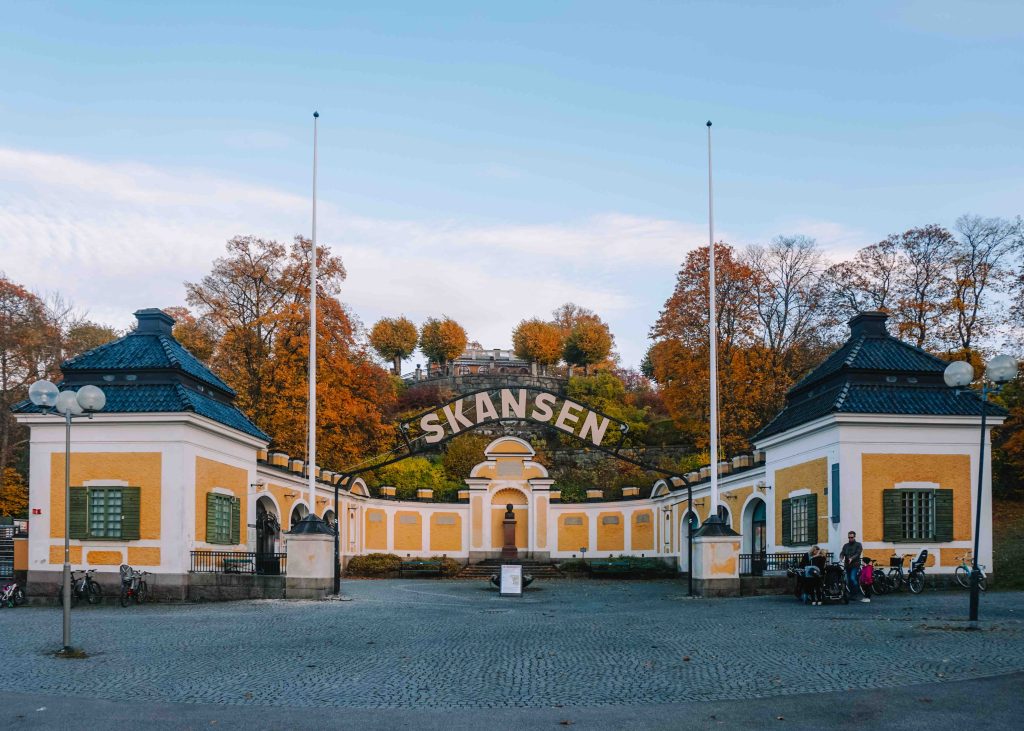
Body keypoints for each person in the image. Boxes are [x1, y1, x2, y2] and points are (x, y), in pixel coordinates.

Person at [841, 530, 869, 603]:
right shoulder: (845, 545)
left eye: (851, 537)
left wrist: (851, 558)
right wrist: (841, 557)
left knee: (853, 578)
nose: (850, 539)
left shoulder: (858, 544)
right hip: (847, 565)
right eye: (849, 537)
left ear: (854, 537)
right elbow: (842, 552)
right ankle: (852, 594)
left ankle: (857, 592)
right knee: (849, 580)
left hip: (855, 565)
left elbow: (858, 553)